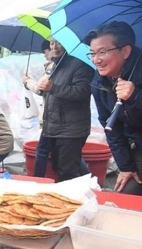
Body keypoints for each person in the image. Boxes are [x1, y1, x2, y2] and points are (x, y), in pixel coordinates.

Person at [86, 21, 142, 195]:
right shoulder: (100, 82)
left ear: (125, 51)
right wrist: (125, 167)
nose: (97, 60)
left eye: (102, 52)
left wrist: (135, 96)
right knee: (125, 196)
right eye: (93, 53)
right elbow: (110, 127)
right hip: (137, 148)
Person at [23, 40, 90, 178]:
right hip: (54, 127)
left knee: (67, 172)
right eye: (52, 43)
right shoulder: (56, 65)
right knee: (58, 167)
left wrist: (53, 88)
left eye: (59, 43)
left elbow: (82, 92)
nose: (54, 47)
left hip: (70, 129)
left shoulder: (79, 64)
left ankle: (74, 196)